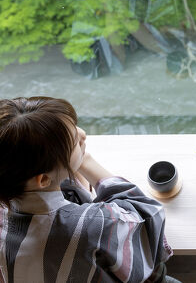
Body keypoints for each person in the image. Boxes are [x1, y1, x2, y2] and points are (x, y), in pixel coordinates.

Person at [0, 97, 180, 283]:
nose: (83, 134)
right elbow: (148, 217)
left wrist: (70, 163)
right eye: (74, 143)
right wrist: (87, 162)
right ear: (43, 179)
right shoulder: (93, 226)